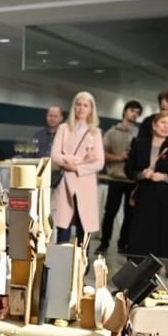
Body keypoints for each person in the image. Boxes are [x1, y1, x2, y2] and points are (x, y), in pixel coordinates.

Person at [125, 111, 168, 268]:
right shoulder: (138, 143)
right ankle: (135, 267)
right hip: (144, 196)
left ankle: (160, 269)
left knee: (164, 234)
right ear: (154, 124)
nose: (166, 127)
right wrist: (141, 174)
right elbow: (129, 170)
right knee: (140, 233)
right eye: (163, 123)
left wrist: (164, 177)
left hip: (166, 200)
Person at [50, 92, 105, 245]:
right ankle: (61, 263)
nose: (81, 108)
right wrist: (78, 161)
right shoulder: (63, 128)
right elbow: (54, 154)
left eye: (85, 105)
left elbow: (99, 162)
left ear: (91, 109)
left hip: (85, 183)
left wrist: (76, 167)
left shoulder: (95, 132)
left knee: (83, 228)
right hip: (65, 182)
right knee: (63, 226)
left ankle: (83, 265)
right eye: (78, 104)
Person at [97, 100, 142, 255]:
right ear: (124, 111)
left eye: (137, 112)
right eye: (132, 110)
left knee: (130, 215)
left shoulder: (139, 133)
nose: (134, 114)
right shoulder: (111, 132)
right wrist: (119, 157)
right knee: (110, 213)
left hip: (132, 180)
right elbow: (101, 155)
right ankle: (104, 243)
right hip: (115, 179)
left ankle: (123, 244)